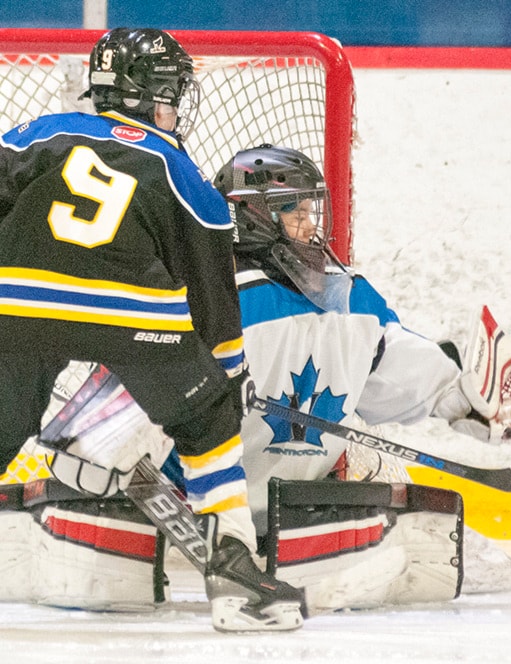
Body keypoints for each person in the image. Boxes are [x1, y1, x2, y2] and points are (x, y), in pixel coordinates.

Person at [0, 30, 302, 632]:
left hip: (16, 303)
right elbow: (214, 302)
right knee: (207, 417)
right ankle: (236, 572)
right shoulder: (181, 171)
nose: (174, 105)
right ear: (147, 95)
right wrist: (229, 376)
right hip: (133, 319)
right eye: (169, 93)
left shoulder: (39, 133)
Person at [208, 144, 511, 607]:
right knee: (423, 562)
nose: (311, 225)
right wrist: (455, 396)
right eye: (295, 212)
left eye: (309, 209)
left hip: (278, 511)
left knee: (448, 560)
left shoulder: (341, 295)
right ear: (253, 218)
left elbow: (392, 363)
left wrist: (460, 399)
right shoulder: (226, 302)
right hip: (226, 512)